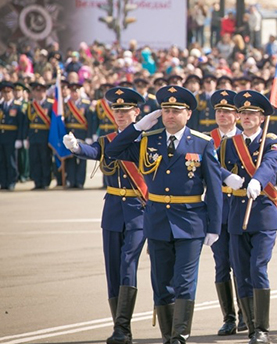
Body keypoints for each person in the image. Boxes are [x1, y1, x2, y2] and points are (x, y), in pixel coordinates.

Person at [105, 85, 222, 344]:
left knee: (184, 280)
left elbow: (214, 188)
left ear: (188, 114)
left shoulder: (202, 143)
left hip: (191, 221)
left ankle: (179, 335)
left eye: (176, 111)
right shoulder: (149, 139)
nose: (170, 115)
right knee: (161, 283)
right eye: (166, 110)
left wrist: (214, 226)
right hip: (157, 221)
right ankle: (168, 336)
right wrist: (137, 128)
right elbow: (112, 151)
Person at [63, 87, 148, 344]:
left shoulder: (147, 138)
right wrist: (77, 147)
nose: (120, 115)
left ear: (136, 112)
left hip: (137, 210)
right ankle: (120, 327)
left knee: (127, 264)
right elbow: (95, 152)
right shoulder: (107, 139)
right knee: (112, 268)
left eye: (125, 111)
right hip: (112, 209)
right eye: (116, 111)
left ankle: (123, 327)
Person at [223, 90, 277, 344]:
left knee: (258, 267)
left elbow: (271, 163)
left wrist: (257, 181)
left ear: (261, 117)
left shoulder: (272, 141)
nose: (246, 117)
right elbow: (213, 165)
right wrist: (226, 175)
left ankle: (262, 329)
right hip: (237, 214)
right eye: (243, 113)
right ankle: (249, 327)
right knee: (240, 272)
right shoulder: (229, 143)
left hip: (262, 215)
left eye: (252, 114)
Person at [206, 89, 246, 336]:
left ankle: (246, 314)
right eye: (219, 111)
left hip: (240, 208)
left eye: (227, 111)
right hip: (216, 210)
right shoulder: (205, 139)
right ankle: (229, 317)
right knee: (222, 265)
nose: (222, 115)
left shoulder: (248, 139)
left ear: (237, 115)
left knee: (242, 265)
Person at [27, 82, 52, 189]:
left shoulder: (50, 105)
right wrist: (25, 137)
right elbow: (26, 123)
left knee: (45, 159)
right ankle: (37, 182)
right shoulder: (30, 106)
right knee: (35, 160)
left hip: (45, 136)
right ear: (33, 92)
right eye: (37, 91)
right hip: (33, 136)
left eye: (41, 91)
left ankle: (45, 182)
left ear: (45, 92)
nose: (39, 93)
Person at [0, 81, 25, 190]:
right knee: (2, 161)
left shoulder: (17, 106)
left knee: (11, 161)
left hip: (12, 137)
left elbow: (21, 124)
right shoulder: (1, 106)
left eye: (8, 92)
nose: (6, 95)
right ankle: (3, 182)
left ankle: (11, 181)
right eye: (4, 92)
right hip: (1, 137)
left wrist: (20, 138)